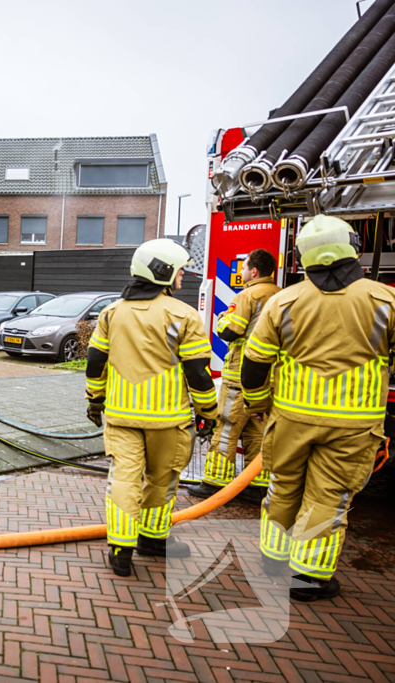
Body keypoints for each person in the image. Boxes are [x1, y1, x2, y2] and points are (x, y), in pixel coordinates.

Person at [242, 215, 395, 602]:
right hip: (354, 423)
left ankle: (273, 559)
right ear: (353, 246)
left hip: (291, 417)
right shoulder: (385, 300)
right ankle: (308, 577)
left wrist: (258, 403)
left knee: (283, 486)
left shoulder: (284, 301)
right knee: (328, 495)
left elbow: (255, 362)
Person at [85, 239, 219, 577]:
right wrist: (208, 413)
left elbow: (95, 363)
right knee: (162, 480)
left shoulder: (111, 313)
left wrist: (94, 400)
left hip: (120, 417)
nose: (183, 277)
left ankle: (120, 548)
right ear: (164, 272)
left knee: (124, 480)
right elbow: (198, 373)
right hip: (168, 421)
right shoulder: (183, 315)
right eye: (180, 271)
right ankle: (153, 540)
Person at [188, 248, 281, 503]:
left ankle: (214, 482)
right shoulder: (282, 296)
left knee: (227, 425)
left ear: (254, 271)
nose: (240, 272)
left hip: (240, 376)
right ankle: (255, 486)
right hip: (271, 379)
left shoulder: (248, 295)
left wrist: (222, 317)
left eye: (244, 268)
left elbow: (231, 331)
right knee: (258, 430)